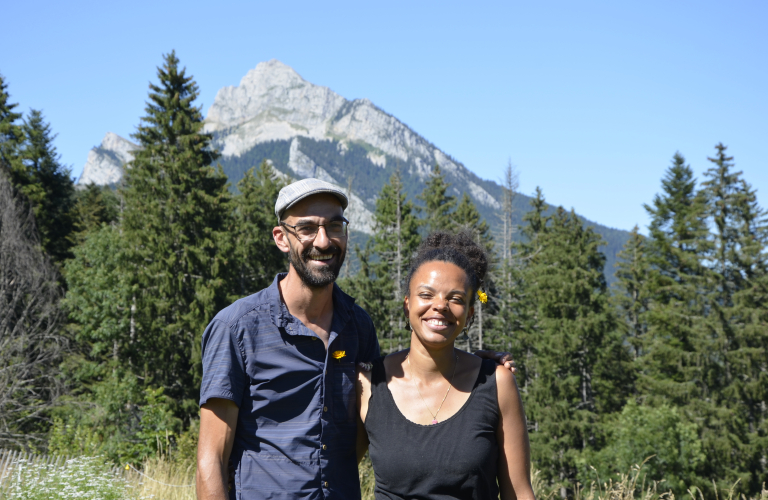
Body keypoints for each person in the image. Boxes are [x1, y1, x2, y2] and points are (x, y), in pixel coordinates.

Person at [196, 178, 515, 500]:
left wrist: (475, 368)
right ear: (281, 238)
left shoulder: (357, 326)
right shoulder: (237, 328)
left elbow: (388, 401)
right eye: (306, 228)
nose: (323, 241)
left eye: (334, 226)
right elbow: (211, 459)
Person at [357, 231, 535, 500]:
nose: (440, 306)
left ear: (470, 313)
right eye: (426, 294)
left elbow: (519, 493)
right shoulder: (369, 385)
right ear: (407, 305)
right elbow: (335, 471)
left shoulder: (496, 384)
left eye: (455, 298)